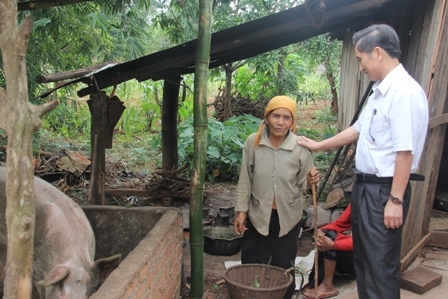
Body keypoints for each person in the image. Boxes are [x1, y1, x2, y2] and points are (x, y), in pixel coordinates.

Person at [297, 24, 428, 299]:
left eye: (361, 59)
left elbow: (405, 152)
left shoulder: (403, 93)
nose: (360, 67)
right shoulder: (380, 91)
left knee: (380, 266)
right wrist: (318, 145)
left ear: (377, 53)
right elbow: (357, 129)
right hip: (367, 189)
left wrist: (395, 200)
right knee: (365, 263)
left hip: (385, 191)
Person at [233, 95, 319, 299]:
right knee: (252, 263)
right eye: (276, 116)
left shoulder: (300, 147)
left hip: (288, 217)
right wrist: (241, 211)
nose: (280, 122)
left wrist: (313, 179)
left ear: (293, 121)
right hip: (258, 214)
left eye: (286, 118)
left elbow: (308, 186)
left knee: (283, 267)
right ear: (267, 117)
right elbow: (245, 179)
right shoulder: (253, 143)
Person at [301, 204, 354, 299]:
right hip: (354, 251)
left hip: (366, 259)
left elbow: (366, 242)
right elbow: (340, 224)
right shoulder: (357, 200)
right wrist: (321, 231)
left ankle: (328, 285)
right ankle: (316, 281)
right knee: (324, 236)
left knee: (330, 240)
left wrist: (334, 244)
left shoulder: (380, 206)